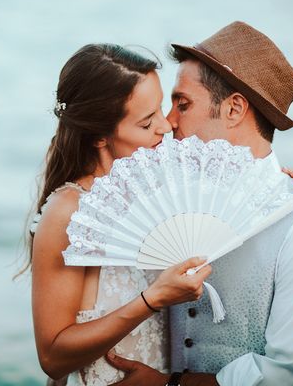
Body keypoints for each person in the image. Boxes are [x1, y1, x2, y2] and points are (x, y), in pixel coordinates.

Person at [105, 21, 293, 386]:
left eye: (182, 104)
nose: (169, 123)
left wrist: (169, 385)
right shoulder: (169, 204)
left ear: (234, 109)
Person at [27, 44, 213, 386]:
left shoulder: (157, 192)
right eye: (146, 122)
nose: (165, 126)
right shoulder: (70, 213)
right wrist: (153, 299)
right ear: (99, 136)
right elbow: (52, 358)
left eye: (160, 109)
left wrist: (280, 182)